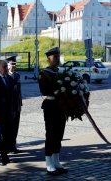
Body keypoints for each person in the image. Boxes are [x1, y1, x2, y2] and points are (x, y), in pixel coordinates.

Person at [38, 47, 68, 176]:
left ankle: (56, 162)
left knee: (59, 134)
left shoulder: (61, 71)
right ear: (48, 59)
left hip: (61, 106)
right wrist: (59, 90)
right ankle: (49, 162)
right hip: (50, 106)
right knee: (51, 135)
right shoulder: (44, 73)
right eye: (54, 57)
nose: (57, 59)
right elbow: (44, 91)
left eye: (58, 57)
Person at [6, 56, 23, 154]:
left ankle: (13, 145)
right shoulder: (6, 76)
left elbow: (19, 91)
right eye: (12, 64)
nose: (13, 66)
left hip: (16, 105)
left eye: (14, 64)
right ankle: (7, 146)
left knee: (15, 126)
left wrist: (20, 104)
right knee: (9, 126)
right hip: (9, 106)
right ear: (8, 65)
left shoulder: (17, 75)